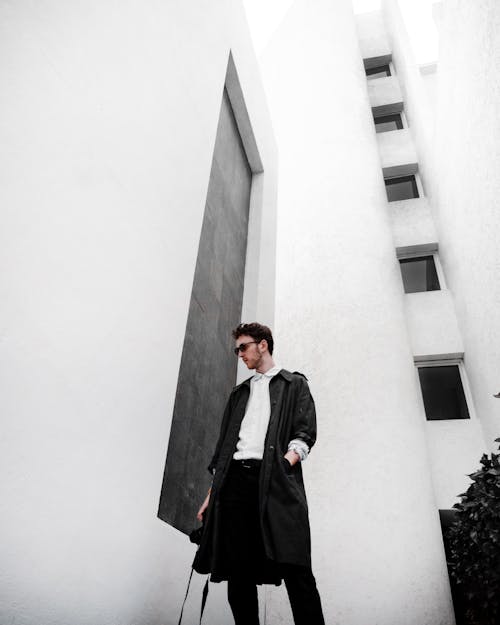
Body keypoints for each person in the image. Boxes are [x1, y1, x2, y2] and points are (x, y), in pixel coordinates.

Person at [193, 322, 325, 625]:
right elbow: (225, 451)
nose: (239, 354)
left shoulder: (294, 385)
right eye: (237, 348)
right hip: (235, 485)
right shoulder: (239, 394)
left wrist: (283, 464)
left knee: (296, 566)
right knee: (239, 571)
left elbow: (304, 435)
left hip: (275, 481)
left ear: (262, 345)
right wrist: (211, 495)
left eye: (243, 347)